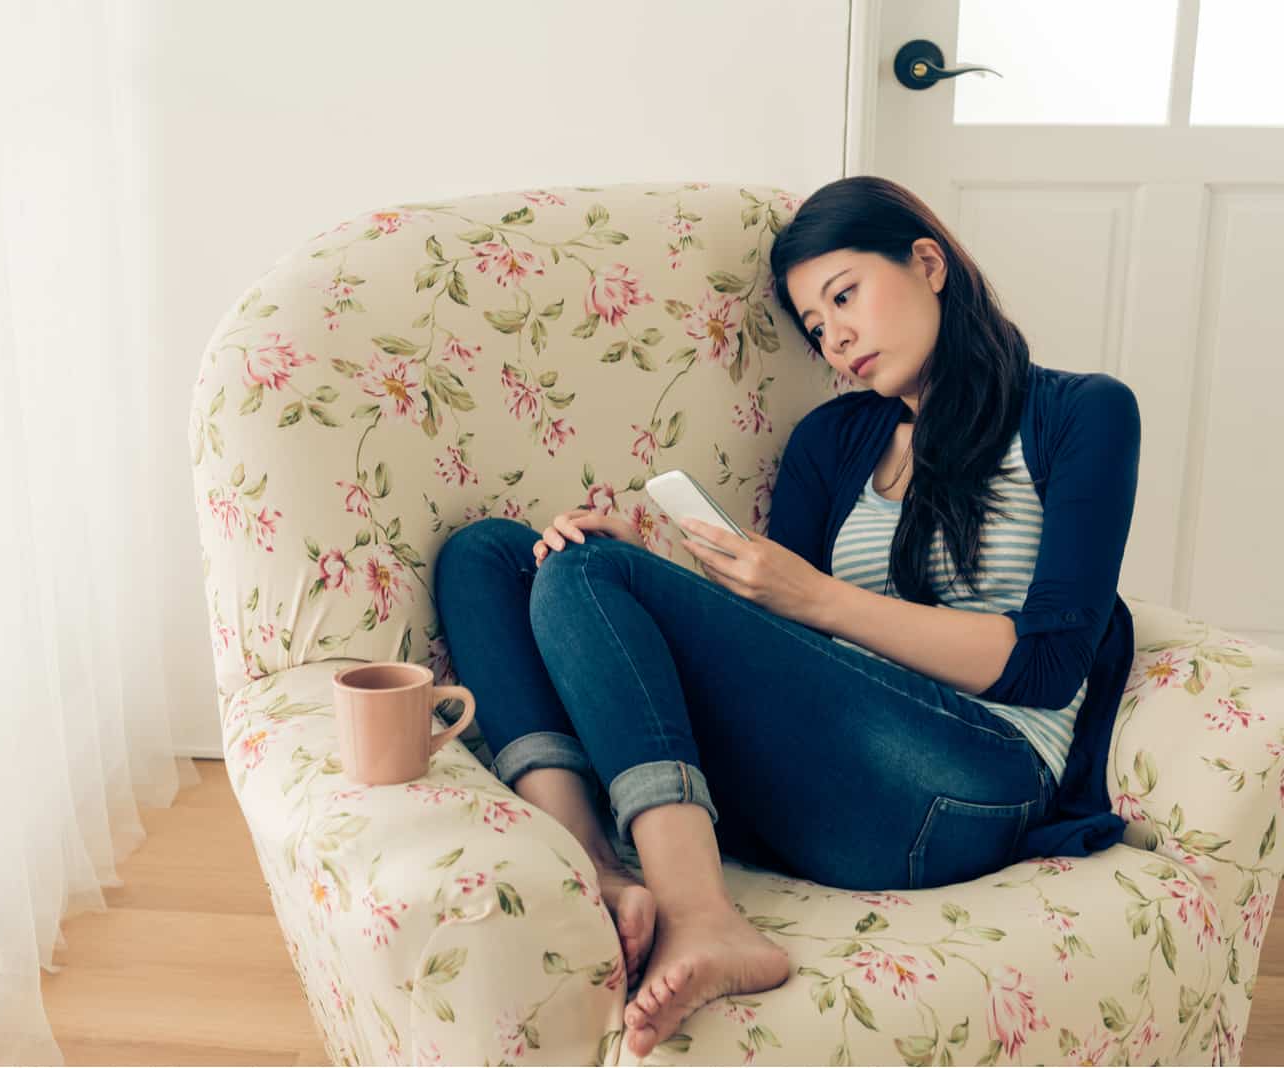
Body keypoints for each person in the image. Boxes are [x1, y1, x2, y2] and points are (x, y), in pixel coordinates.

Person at [431, 175, 1140, 1059]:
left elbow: (1049, 665)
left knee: (590, 577)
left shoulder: (1083, 413)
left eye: (844, 296)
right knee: (493, 558)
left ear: (928, 264)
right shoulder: (831, 441)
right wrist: (628, 568)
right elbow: (781, 654)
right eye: (814, 325)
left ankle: (705, 920)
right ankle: (599, 872)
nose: (835, 338)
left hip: (972, 780)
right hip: (832, 770)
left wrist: (815, 595)